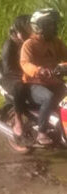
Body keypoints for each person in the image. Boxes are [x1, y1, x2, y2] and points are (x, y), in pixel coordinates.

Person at [20, 8, 67, 145]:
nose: (53, 27)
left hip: (54, 81)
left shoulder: (56, 42)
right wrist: (38, 70)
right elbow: (25, 63)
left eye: (53, 24)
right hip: (34, 84)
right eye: (49, 24)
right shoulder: (29, 44)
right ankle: (42, 132)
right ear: (39, 26)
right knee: (49, 97)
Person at [0, 14, 31, 136]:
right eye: (26, 30)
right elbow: (8, 69)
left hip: (26, 73)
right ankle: (18, 122)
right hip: (10, 76)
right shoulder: (9, 46)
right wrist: (26, 74)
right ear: (18, 32)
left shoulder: (29, 42)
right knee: (20, 87)